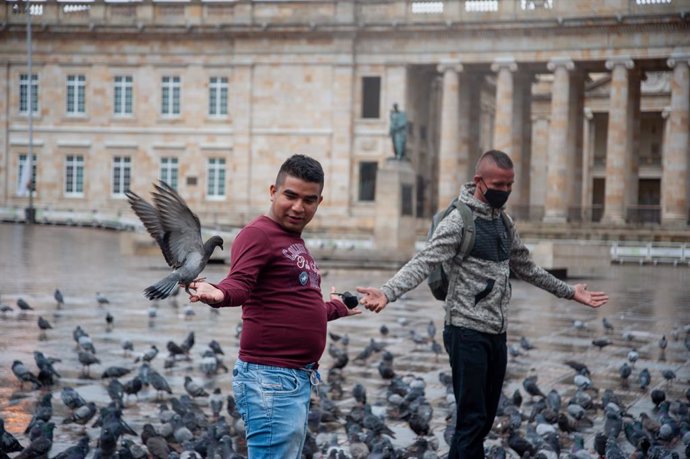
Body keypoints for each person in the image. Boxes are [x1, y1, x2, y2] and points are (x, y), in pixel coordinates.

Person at [357, 150, 608, 458]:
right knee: (472, 421)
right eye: (498, 185)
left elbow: (526, 268)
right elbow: (424, 261)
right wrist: (387, 292)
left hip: (496, 334)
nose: (504, 191)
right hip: (465, 332)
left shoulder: (505, 223)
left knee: (484, 419)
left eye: (509, 186)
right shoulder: (459, 222)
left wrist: (569, 292)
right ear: (479, 181)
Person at [186, 154, 361, 458]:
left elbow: (292, 304)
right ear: (273, 191)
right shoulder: (258, 234)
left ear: (319, 202)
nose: (298, 207)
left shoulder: (292, 240)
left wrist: (336, 308)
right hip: (271, 379)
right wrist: (219, 293)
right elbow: (240, 283)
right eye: (290, 196)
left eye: (309, 200)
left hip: (291, 378)